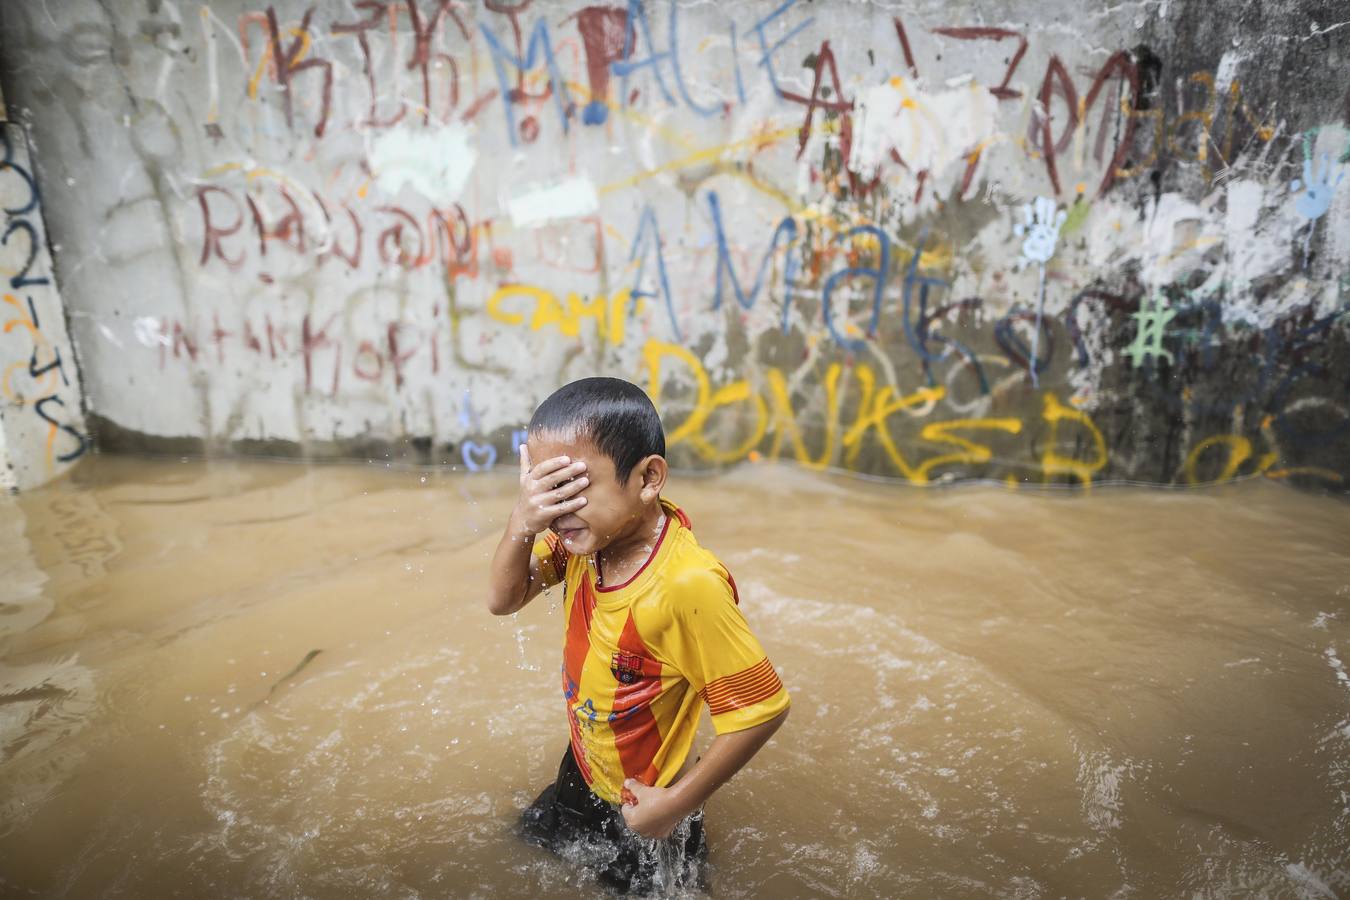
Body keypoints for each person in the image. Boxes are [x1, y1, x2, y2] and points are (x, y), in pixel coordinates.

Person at [486, 376, 790, 894]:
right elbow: (503, 599)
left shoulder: (686, 584)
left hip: (649, 802)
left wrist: (675, 805)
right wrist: (522, 521)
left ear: (648, 478)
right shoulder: (584, 540)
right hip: (583, 766)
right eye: (544, 490)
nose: (556, 511)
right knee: (520, 844)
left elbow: (762, 710)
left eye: (573, 488)